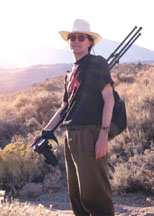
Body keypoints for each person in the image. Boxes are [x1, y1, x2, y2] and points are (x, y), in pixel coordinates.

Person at [33, 19, 115, 216]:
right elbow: (64, 108)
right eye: (72, 37)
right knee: (76, 192)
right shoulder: (70, 74)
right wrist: (45, 131)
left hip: (90, 132)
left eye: (81, 37)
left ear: (89, 42)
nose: (76, 41)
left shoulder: (97, 63)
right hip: (71, 134)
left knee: (94, 191)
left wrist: (103, 135)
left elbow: (109, 99)